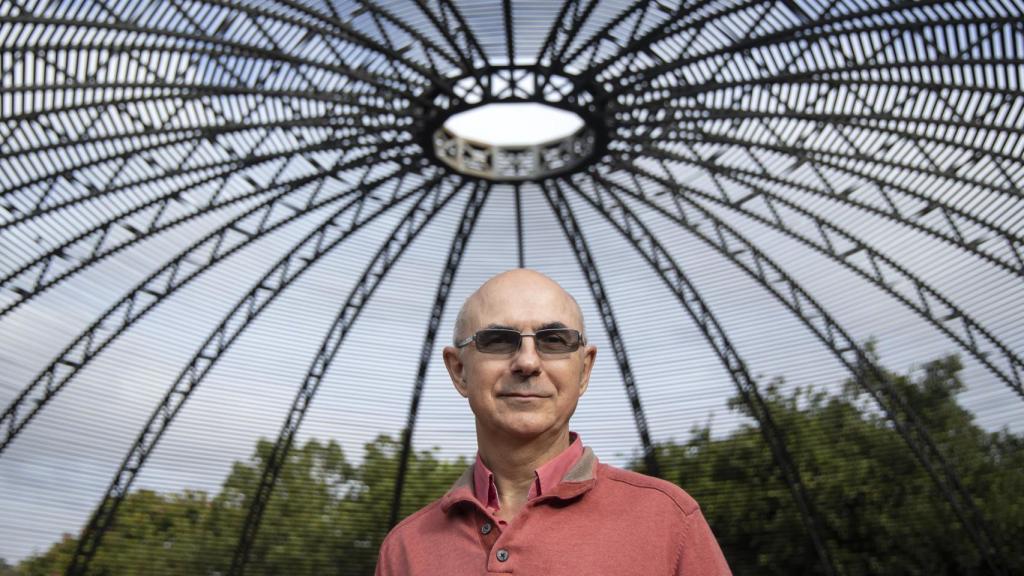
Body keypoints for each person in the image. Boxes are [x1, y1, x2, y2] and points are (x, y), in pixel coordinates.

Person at [376, 269, 731, 575]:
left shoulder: (669, 519)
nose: (527, 362)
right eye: (498, 340)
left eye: (554, 340)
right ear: (459, 370)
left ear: (584, 370)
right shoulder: (404, 548)